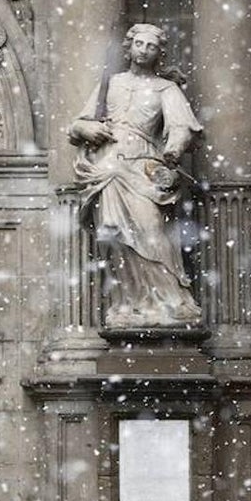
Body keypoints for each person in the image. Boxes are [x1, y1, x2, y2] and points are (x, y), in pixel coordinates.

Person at [69, 23, 202, 329]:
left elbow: (183, 127)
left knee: (151, 231)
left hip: (143, 168)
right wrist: (88, 128)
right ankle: (128, 302)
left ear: (159, 53)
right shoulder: (111, 84)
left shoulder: (165, 89)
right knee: (115, 236)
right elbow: (77, 125)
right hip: (109, 169)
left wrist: (174, 148)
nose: (143, 50)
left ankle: (172, 300)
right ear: (129, 48)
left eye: (151, 46)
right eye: (139, 44)